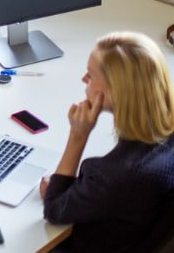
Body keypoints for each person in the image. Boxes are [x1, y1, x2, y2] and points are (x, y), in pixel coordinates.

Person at [41, 31, 174, 252]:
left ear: (115, 91)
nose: (84, 79)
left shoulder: (112, 177)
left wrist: (78, 136)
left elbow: (54, 209)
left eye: (91, 75)